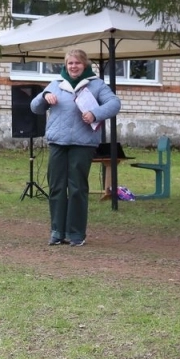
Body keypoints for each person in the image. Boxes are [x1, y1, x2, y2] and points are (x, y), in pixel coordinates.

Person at [30, 49, 122, 247]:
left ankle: (76, 233)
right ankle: (57, 231)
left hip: (83, 144)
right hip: (57, 143)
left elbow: (114, 103)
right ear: (65, 65)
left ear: (85, 65)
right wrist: (44, 96)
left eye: (77, 63)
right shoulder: (55, 85)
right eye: (70, 63)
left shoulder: (96, 85)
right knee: (56, 187)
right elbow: (34, 107)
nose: (73, 66)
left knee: (77, 188)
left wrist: (95, 113)